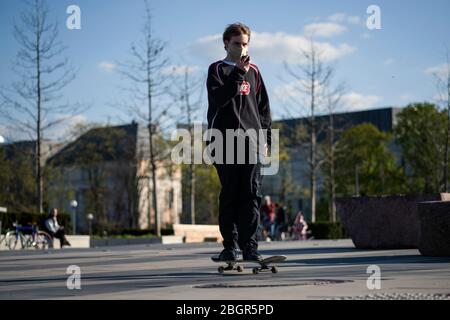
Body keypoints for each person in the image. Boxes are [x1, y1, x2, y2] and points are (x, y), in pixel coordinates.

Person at [206, 22, 272, 261]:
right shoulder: (217, 69)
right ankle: (229, 248)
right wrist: (237, 74)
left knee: (251, 195)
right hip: (223, 142)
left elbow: (263, 110)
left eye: (245, 44)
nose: (242, 48)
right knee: (230, 195)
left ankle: (250, 247)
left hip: (253, 143)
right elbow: (220, 99)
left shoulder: (255, 71)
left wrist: (267, 140)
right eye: (237, 44)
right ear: (226, 43)